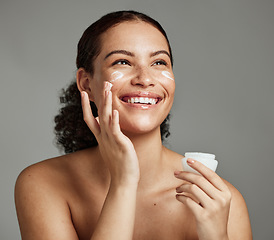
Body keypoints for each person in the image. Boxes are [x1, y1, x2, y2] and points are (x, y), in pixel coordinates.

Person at [15, 10, 252, 240]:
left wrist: (217, 236)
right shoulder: (43, 183)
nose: (145, 79)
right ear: (86, 84)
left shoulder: (221, 201)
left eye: (159, 62)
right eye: (122, 61)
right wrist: (123, 183)